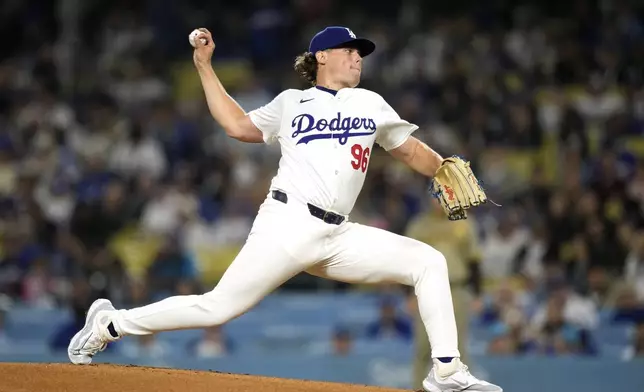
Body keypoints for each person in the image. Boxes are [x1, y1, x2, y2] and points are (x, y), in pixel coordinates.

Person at [67, 26, 502, 392]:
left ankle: (447, 370)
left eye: (360, 53)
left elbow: (408, 151)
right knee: (217, 308)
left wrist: (441, 166)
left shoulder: (370, 103)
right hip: (288, 224)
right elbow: (237, 126)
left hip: (339, 235)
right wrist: (204, 66)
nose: (358, 58)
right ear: (322, 57)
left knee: (428, 261)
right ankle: (111, 323)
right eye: (350, 51)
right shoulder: (291, 103)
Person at [405, 198, 482, 389]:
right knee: (423, 346)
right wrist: (408, 294)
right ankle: (418, 388)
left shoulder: (464, 223)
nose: (438, 201)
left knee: (458, 347)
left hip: (456, 288)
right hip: (425, 289)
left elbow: (474, 262)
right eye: (435, 196)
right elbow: (407, 260)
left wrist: (477, 294)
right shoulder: (419, 225)